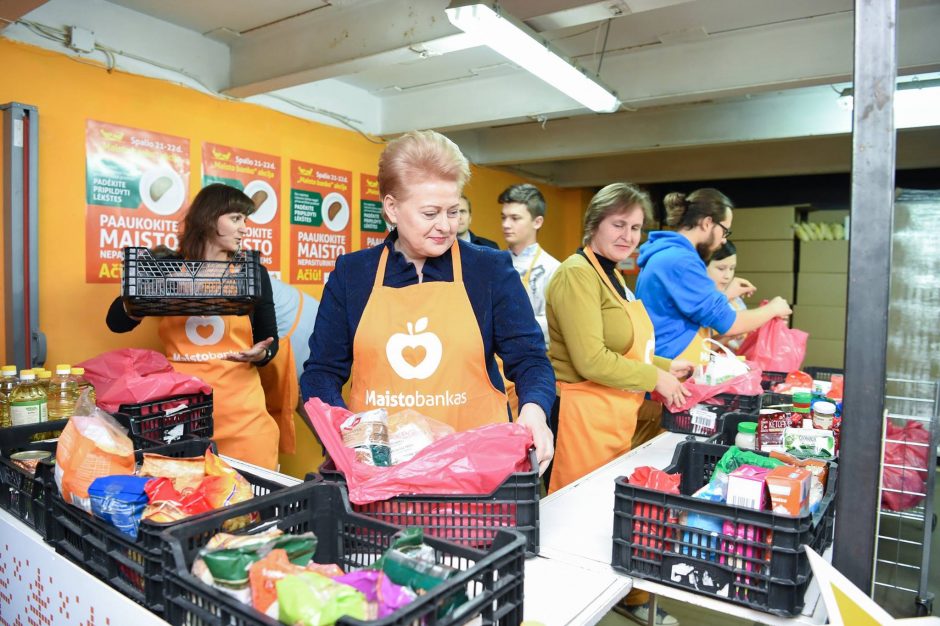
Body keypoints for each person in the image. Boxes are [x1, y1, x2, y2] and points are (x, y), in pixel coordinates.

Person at [299, 130, 555, 472]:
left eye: (453, 211)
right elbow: (321, 373)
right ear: (392, 207)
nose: (445, 226)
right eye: (430, 213)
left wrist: (534, 410)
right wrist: (344, 435)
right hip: (379, 471)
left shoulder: (488, 269)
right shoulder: (353, 274)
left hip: (477, 470)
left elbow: (530, 360)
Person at [546, 183, 692, 626]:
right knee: (573, 525)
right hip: (580, 414)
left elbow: (626, 350)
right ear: (595, 223)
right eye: (618, 225)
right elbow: (591, 360)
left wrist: (669, 365)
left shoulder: (614, 275)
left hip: (614, 413)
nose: (628, 235)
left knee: (606, 519)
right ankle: (566, 609)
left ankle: (617, 600)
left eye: (636, 227)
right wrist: (655, 379)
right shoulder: (576, 274)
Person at [106, 183, 281, 469]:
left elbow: (269, 340)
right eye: (236, 219)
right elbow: (116, 322)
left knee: (249, 508)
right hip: (181, 418)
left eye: (245, 220)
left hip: (245, 422)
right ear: (210, 219)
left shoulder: (251, 273)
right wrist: (147, 295)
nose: (244, 228)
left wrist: (260, 354)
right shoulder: (167, 268)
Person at [635, 188, 791, 364]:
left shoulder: (669, 255)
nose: (724, 240)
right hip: (671, 374)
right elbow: (730, 323)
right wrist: (773, 308)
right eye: (725, 231)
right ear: (707, 223)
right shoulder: (681, 261)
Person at [257, 277, 321, 456]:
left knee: (319, 412)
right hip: (307, 325)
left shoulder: (245, 272)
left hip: (301, 335)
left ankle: (351, 470)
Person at [499, 183, 561, 349]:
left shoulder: (554, 269)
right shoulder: (494, 264)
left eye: (515, 218)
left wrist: (507, 327)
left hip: (536, 356)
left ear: (537, 222)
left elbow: (555, 323)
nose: (506, 224)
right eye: (503, 217)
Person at [706, 241, 753, 351]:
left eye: (732, 268)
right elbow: (701, 349)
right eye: (721, 268)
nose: (727, 276)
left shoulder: (736, 301)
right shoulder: (696, 299)